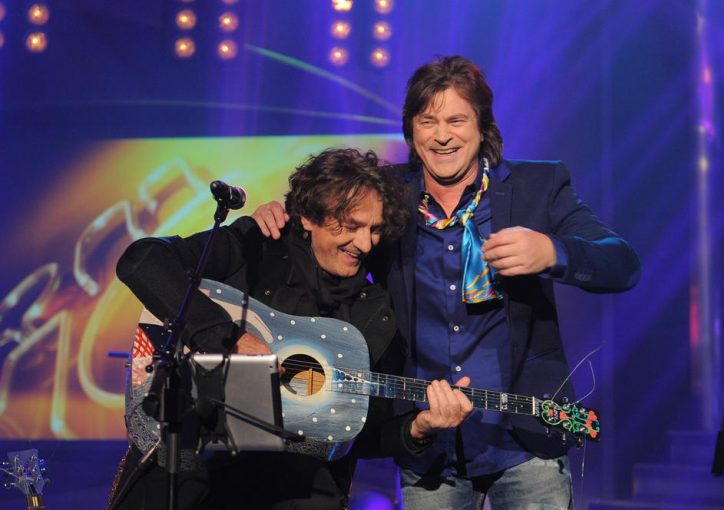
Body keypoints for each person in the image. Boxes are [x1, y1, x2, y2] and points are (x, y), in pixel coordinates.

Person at [252, 56, 641, 509]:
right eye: (427, 121)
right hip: (428, 446)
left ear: (482, 126)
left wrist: (553, 252)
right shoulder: (385, 193)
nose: (442, 136)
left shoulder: (539, 186)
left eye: (457, 120)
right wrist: (276, 216)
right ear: (411, 129)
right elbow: (322, 224)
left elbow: (623, 264)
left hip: (527, 442)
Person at [107, 148, 473, 510]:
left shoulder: (373, 313)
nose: (364, 243)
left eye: (374, 229)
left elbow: (358, 431)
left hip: (298, 486)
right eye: (350, 226)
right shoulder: (256, 246)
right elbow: (142, 261)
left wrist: (419, 428)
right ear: (308, 217)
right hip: (198, 460)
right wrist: (226, 338)